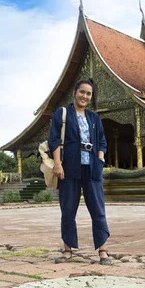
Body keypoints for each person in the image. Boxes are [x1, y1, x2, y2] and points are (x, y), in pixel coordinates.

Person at [48, 78, 112, 265]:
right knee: (68, 209)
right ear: (75, 92)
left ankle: (103, 249)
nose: (85, 96)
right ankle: (68, 250)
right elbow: (54, 140)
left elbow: (102, 141)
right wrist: (58, 164)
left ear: (91, 97)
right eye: (82, 92)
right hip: (69, 168)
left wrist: (100, 158)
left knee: (98, 209)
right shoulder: (63, 113)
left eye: (88, 94)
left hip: (92, 168)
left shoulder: (94, 118)